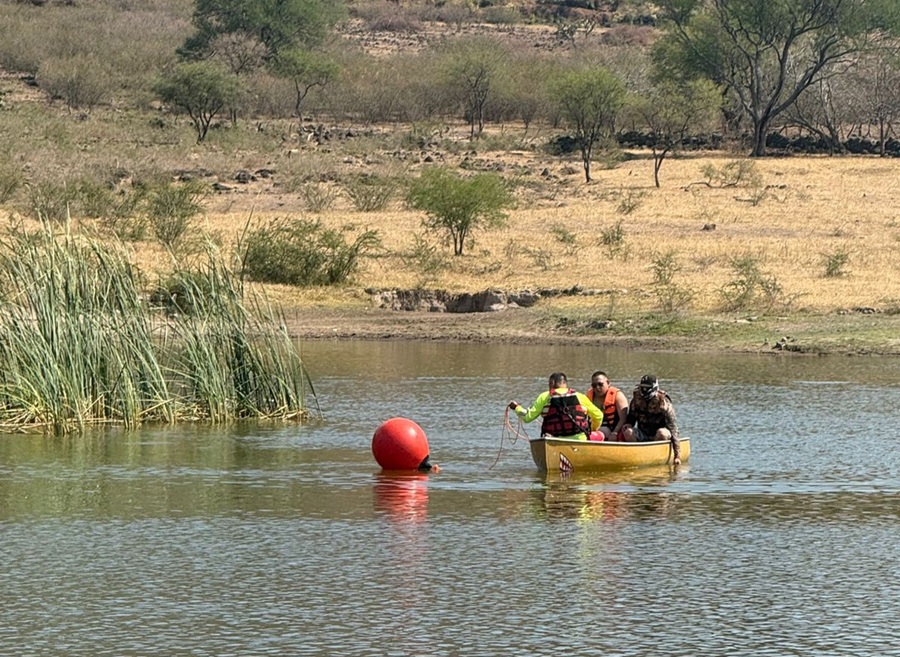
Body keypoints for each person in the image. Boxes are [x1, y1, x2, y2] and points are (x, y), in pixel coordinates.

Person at [508, 372, 603, 441]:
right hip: (579, 439)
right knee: (601, 435)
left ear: (551, 384)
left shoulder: (544, 396)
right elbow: (599, 415)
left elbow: (527, 418)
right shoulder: (579, 396)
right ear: (565, 383)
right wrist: (593, 429)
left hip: (553, 440)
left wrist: (516, 407)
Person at [621, 374, 681, 464]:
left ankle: (657, 457)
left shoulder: (664, 403)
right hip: (643, 433)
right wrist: (627, 425)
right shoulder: (636, 399)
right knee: (627, 431)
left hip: (659, 435)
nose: (644, 390)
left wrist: (677, 455)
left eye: (647, 388)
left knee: (662, 433)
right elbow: (631, 419)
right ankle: (635, 455)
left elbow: (673, 428)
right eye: (642, 387)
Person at [586, 370, 629, 441]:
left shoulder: (618, 395)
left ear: (608, 383)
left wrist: (615, 433)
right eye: (594, 385)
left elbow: (623, 418)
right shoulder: (589, 396)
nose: (597, 388)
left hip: (614, 429)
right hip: (596, 429)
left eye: (600, 384)